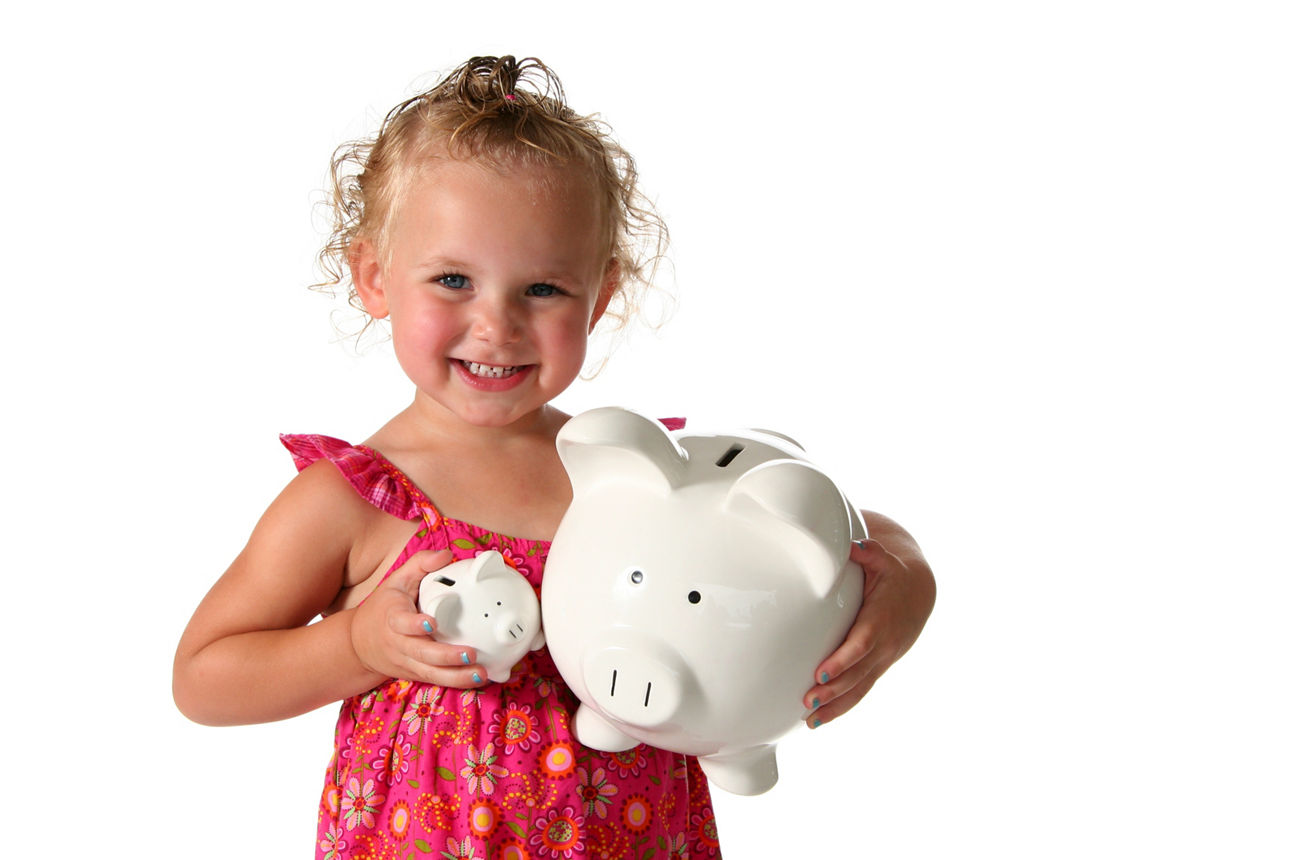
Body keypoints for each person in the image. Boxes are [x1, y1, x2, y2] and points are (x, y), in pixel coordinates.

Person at [173, 55, 936, 859]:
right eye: (453, 279)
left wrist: (907, 587)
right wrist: (357, 644)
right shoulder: (354, 500)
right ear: (374, 277)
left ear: (599, 295)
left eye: (543, 290)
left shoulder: (631, 470)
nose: (496, 324)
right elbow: (205, 676)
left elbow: (848, 525)